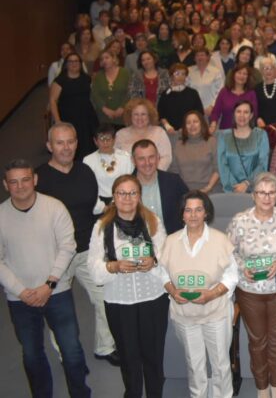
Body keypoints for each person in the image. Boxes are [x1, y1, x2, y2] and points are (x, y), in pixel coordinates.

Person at [1, 159, 91, 398]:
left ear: (35, 180)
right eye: (14, 182)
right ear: (5, 184)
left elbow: (68, 246)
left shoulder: (54, 207)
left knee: (71, 350)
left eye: (25, 180)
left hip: (57, 292)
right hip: (20, 299)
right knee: (32, 354)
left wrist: (49, 284)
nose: (20, 186)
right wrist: (21, 291)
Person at [35, 124, 121, 364]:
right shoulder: (39, 178)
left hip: (86, 250)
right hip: (55, 256)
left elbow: (93, 209)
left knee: (105, 297)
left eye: (71, 141)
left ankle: (105, 346)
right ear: (49, 146)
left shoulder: (85, 171)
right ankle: (66, 353)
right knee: (60, 311)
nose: (66, 147)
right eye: (60, 143)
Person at [87, 175, 169, 398]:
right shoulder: (101, 227)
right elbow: (93, 268)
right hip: (119, 302)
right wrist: (112, 266)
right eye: (121, 193)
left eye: (132, 193)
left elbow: (166, 256)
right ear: (114, 196)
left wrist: (154, 261)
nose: (127, 198)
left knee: (153, 357)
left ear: (139, 196)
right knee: (128, 357)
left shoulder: (153, 221)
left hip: (153, 299)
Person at [227, 172, 276, 398]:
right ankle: (262, 387)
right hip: (249, 291)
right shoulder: (240, 220)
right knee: (257, 340)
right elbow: (227, 252)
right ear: (253, 195)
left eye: (272, 193)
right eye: (262, 192)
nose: (267, 197)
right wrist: (242, 267)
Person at [159, 191, 237, 398]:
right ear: (182, 214)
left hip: (216, 313)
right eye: (188, 210)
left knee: (220, 364)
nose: (193, 215)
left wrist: (211, 294)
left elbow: (232, 276)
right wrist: (173, 290)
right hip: (185, 315)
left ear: (206, 213)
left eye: (198, 210)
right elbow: (162, 272)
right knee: (194, 365)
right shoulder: (171, 241)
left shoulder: (221, 240)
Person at [132, 138, 189, 235]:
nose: (147, 163)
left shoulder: (174, 181)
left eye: (151, 157)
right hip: (139, 244)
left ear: (158, 157)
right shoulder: (124, 187)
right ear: (133, 161)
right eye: (141, 158)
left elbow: (190, 209)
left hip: (172, 242)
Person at [49, 52, 99, 159]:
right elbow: (52, 101)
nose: (74, 63)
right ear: (66, 64)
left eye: (76, 61)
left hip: (87, 117)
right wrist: (58, 121)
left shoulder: (87, 79)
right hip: (68, 118)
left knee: (89, 145)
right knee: (73, 145)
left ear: (80, 64)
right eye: (70, 61)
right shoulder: (59, 81)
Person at [217, 100, 270, 194]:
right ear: (234, 114)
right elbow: (222, 165)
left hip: (255, 190)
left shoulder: (261, 135)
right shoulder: (224, 136)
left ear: (251, 115)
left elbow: (262, 164)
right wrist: (234, 187)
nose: (242, 115)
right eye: (238, 111)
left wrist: (247, 184)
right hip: (231, 191)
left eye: (246, 112)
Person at [169, 111, 221, 194]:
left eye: (195, 122)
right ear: (184, 126)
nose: (192, 125)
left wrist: (208, 188)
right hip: (185, 191)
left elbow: (218, 169)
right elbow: (174, 171)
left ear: (202, 124)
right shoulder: (178, 144)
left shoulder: (212, 141)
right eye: (188, 123)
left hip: (210, 190)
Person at [114, 98, 174, 171]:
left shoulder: (159, 132)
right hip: (128, 177)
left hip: (155, 176)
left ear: (149, 116)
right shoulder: (120, 134)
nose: (140, 118)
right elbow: (115, 158)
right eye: (136, 114)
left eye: (143, 114)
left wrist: (152, 174)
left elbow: (166, 158)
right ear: (130, 116)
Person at [84, 123, 135, 205]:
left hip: (124, 199)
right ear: (95, 141)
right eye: (102, 139)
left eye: (108, 139)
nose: (105, 143)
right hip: (100, 202)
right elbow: (87, 188)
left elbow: (132, 181)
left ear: (114, 139)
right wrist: (101, 207)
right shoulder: (88, 160)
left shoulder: (125, 157)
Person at [157, 63, 204, 133]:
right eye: (177, 74)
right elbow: (161, 114)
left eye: (183, 74)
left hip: (190, 131)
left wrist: (187, 127)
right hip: (170, 132)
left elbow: (199, 112)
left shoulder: (193, 93)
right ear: (171, 76)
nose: (180, 77)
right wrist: (167, 126)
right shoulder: (165, 94)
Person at [210, 64, 258, 131]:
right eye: (239, 73)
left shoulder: (251, 93)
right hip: (226, 131)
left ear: (248, 77)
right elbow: (216, 112)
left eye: (245, 74)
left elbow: (254, 114)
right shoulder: (224, 92)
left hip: (246, 132)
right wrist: (213, 124)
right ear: (233, 75)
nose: (241, 76)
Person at [91, 50, 131, 127]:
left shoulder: (125, 73)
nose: (104, 61)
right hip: (104, 116)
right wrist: (105, 110)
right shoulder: (98, 76)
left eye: (107, 58)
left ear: (114, 59)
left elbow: (130, 92)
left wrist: (122, 107)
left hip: (123, 114)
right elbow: (94, 95)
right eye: (102, 59)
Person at [189, 48, 225, 117]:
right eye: (197, 55)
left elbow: (220, 91)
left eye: (202, 55)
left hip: (210, 109)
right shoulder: (189, 71)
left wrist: (212, 106)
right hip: (193, 109)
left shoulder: (216, 71)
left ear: (208, 57)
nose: (200, 57)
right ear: (194, 58)